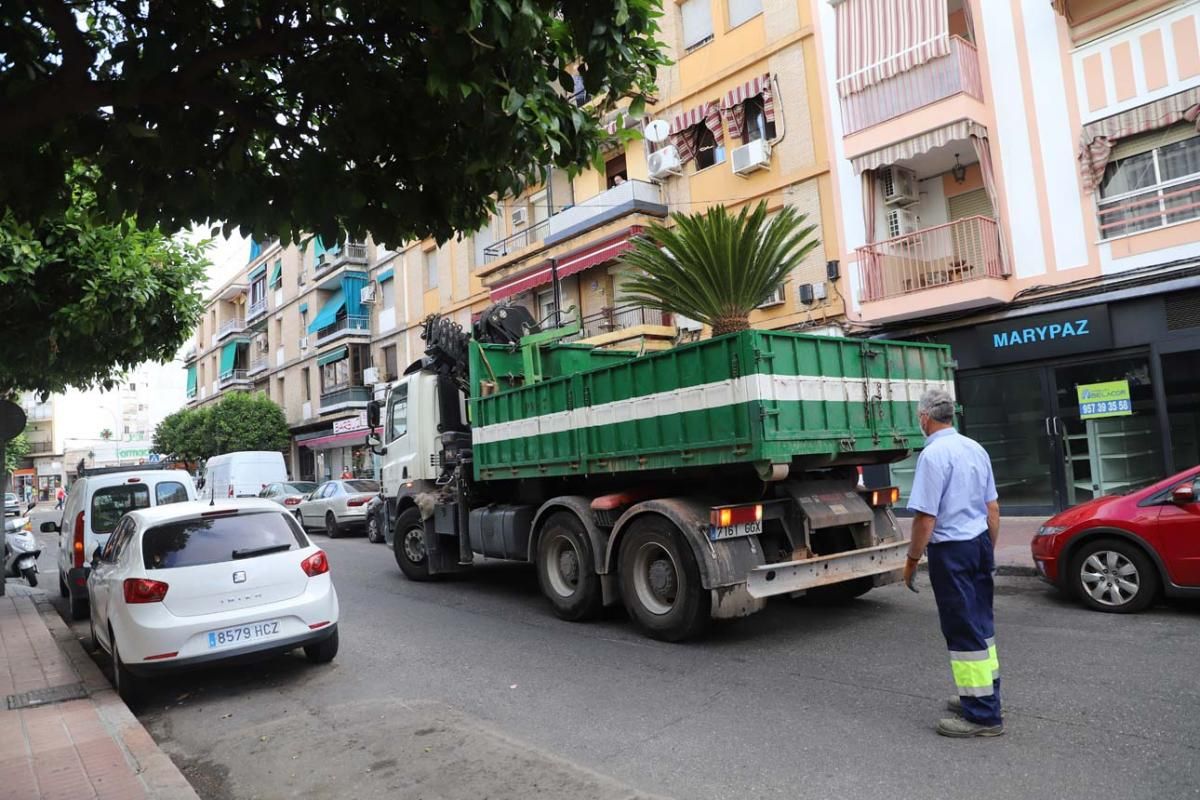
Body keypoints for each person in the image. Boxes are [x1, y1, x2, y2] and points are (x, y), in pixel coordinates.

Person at [903, 388, 1003, 738]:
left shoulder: (933, 456)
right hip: (977, 543)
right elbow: (992, 508)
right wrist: (987, 549)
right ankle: (983, 694)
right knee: (981, 625)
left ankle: (982, 716)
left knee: (962, 628)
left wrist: (912, 560)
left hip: (952, 550)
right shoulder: (975, 448)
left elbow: (925, 519)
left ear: (924, 418)